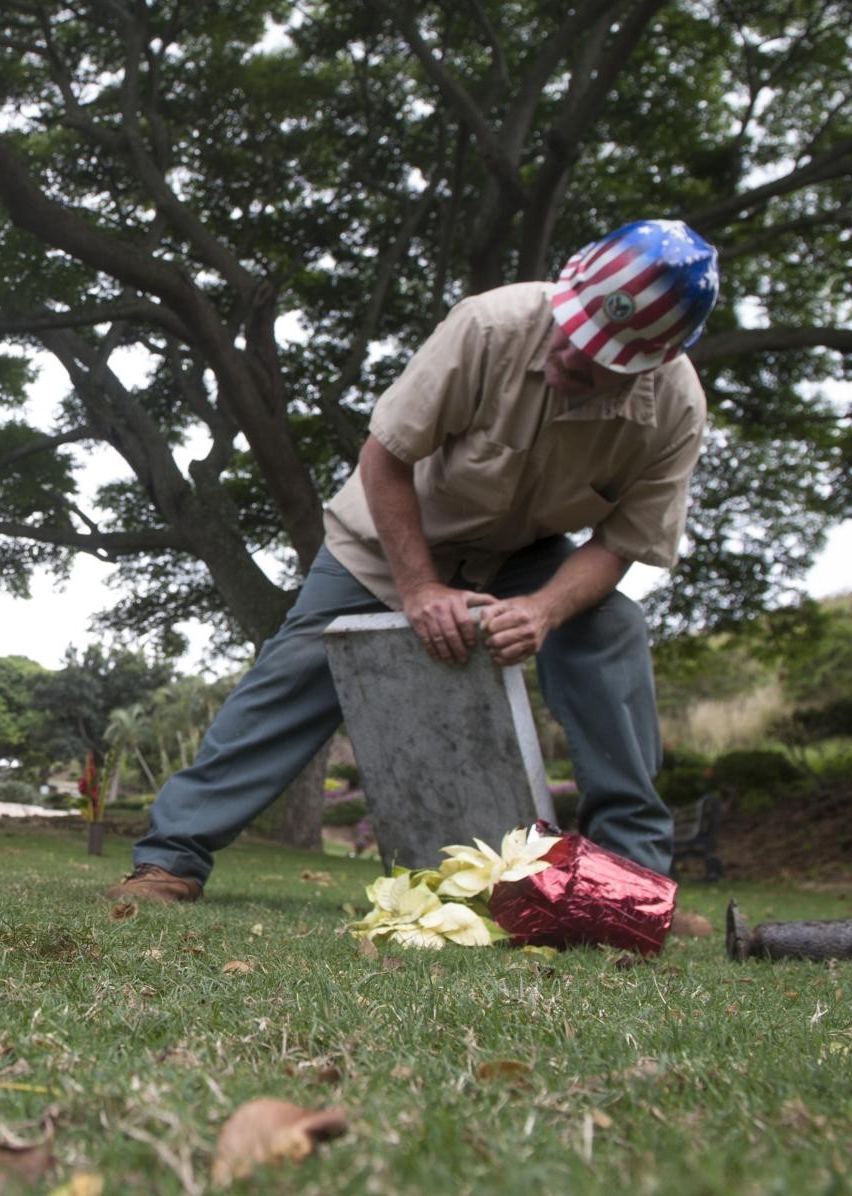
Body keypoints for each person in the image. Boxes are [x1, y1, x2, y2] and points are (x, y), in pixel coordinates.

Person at [109, 220, 720, 903]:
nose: (573, 354)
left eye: (600, 354)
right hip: (389, 538)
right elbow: (386, 457)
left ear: (654, 360)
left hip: (527, 555)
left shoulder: (676, 410)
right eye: (573, 327)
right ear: (569, 288)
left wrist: (544, 610)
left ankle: (630, 888)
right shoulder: (488, 325)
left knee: (611, 631)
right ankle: (171, 857)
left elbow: (622, 543)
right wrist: (420, 586)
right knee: (298, 672)